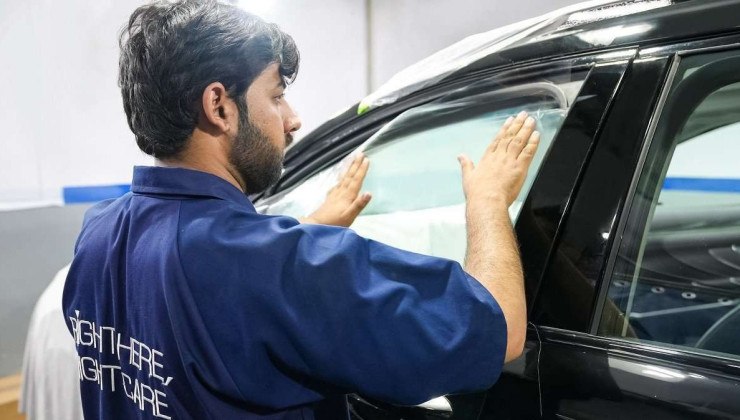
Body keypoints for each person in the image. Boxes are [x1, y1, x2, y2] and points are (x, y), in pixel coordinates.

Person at [62, 0, 540, 418]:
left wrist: (307, 228)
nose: (292, 119)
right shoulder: (280, 266)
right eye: (276, 95)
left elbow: (208, 298)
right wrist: (489, 200)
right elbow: (500, 328)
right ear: (219, 107)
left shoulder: (99, 232)